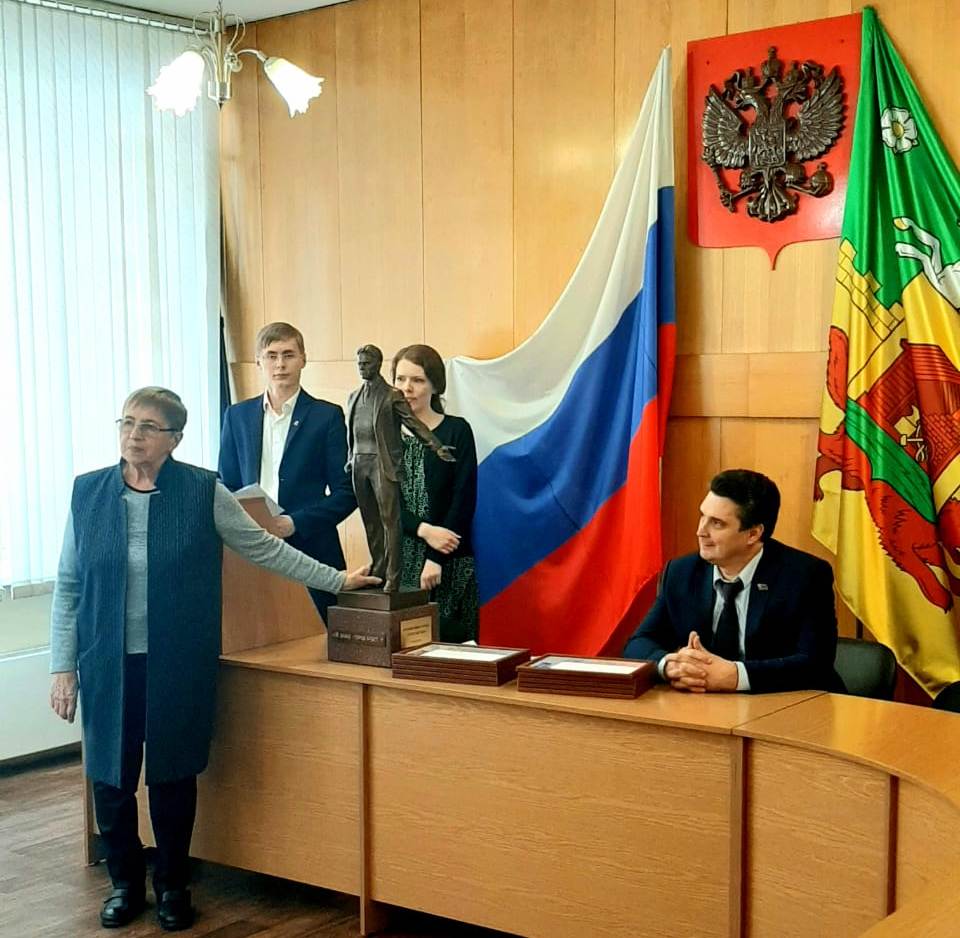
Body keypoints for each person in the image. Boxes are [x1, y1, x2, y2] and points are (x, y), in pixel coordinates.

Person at [48, 387, 378, 932]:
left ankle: (173, 886)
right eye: (127, 422)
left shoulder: (202, 491)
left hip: (177, 661)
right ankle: (125, 884)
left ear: (175, 439)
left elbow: (264, 547)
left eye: (149, 426)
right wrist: (62, 667)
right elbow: (68, 585)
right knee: (109, 779)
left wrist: (337, 580)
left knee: (173, 777)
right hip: (106, 662)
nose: (134, 434)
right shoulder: (88, 493)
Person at [623, 469, 841, 693]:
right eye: (702, 516)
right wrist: (670, 665)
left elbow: (816, 663)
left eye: (717, 523)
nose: (700, 531)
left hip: (790, 705)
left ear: (753, 534)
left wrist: (737, 676)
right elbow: (639, 642)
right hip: (703, 705)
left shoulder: (805, 576)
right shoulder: (681, 573)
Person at [218, 322, 356, 623]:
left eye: (288, 355)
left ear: (303, 359)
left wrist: (294, 523)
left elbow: (347, 493)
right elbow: (226, 485)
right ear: (258, 361)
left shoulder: (327, 416)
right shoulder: (237, 416)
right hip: (251, 548)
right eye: (271, 355)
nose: (280, 364)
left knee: (321, 638)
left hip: (311, 549)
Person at [345, 344, 454, 592]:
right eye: (359, 363)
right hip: (359, 465)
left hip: (382, 465)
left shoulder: (391, 396)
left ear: (377, 364)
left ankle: (394, 575)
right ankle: (379, 567)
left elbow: (414, 424)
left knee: (389, 521)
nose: (362, 367)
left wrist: (436, 446)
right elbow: (352, 431)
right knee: (370, 521)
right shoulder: (353, 396)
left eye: (367, 363)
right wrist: (350, 457)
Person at [392, 345, 479, 642]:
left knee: (458, 645)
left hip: (451, 556)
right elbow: (384, 503)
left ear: (435, 385)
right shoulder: (384, 434)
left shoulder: (457, 430)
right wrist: (424, 530)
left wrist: (435, 558)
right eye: (401, 379)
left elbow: (463, 498)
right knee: (407, 647)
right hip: (400, 558)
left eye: (417, 380)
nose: (407, 388)